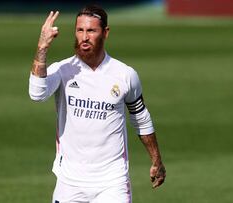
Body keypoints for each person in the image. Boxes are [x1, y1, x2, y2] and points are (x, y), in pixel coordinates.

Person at [29, 5, 166, 203]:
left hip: (112, 182)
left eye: (91, 31)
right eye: (80, 30)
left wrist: (156, 160)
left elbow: (140, 118)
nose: (84, 37)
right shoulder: (63, 70)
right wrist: (42, 47)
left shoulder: (125, 75)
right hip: (70, 181)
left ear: (105, 33)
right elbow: (36, 93)